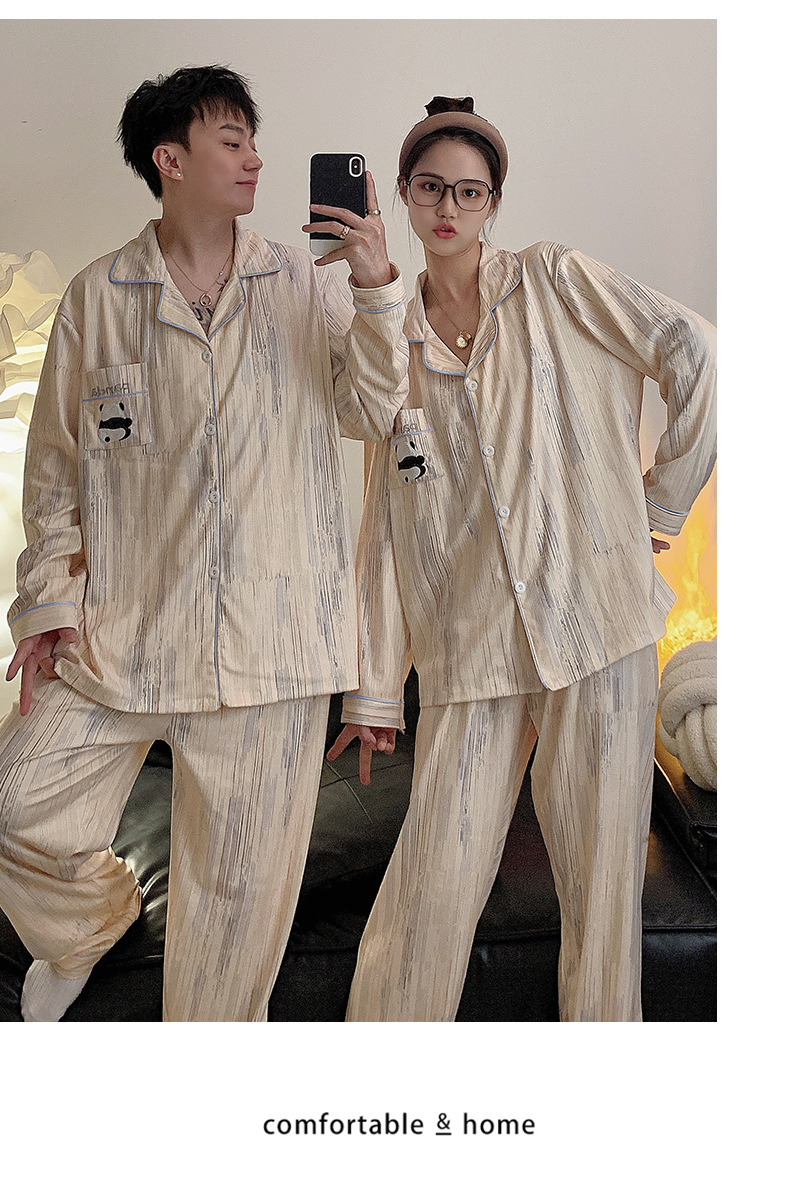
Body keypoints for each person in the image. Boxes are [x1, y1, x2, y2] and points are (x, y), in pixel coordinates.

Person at [0, 65, 408, 1022]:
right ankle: (88, 925)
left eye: (254, 141)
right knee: (17, 806)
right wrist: (50, 603)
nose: (255, 158)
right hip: (125, 631)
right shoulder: (99, 297)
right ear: (170, 159)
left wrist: (375, 284)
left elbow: (376, 414)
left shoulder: (306, 282)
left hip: (273, 645)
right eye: (232, 141)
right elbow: (56, 469)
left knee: (230, 934)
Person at [328, 96, 716, 1022]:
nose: (449, 207)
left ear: (494, 201)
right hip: (472, 647)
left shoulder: (556, 281)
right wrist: (375, 691)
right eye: (431, 188)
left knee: (602, 898)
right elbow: (384, 516)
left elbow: (693, 349)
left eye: (469, 190)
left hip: (597, 625)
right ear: (404, 196)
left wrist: (660, 504)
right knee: (431, 886)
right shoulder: (388, 342)